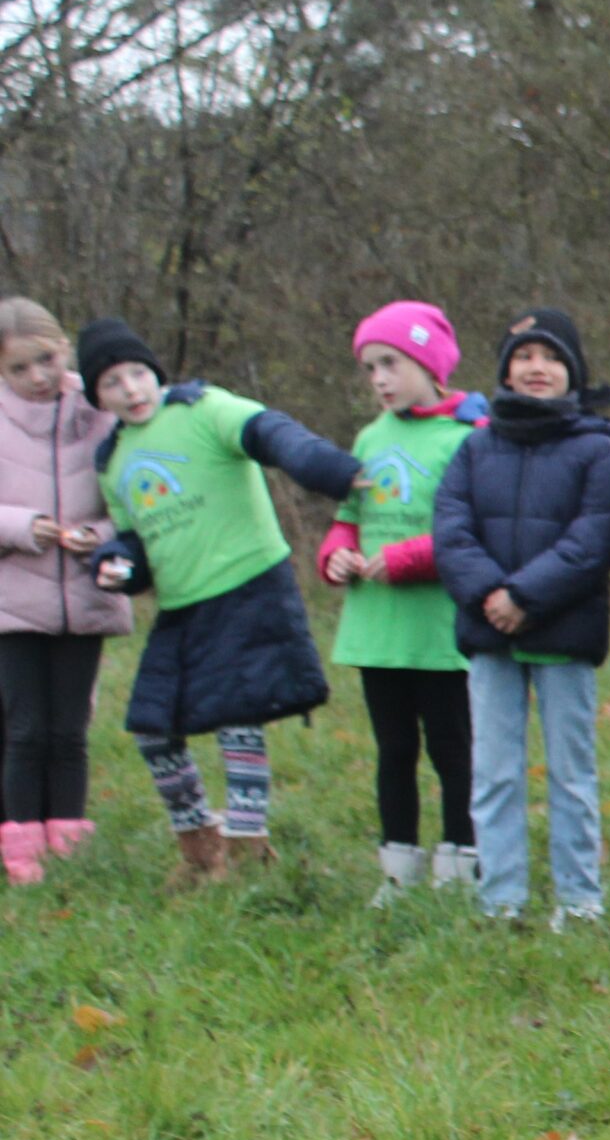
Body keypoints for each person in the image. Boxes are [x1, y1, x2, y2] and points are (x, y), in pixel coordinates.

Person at [81, 316, 359, 880]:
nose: (130, 390)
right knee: (152, 726)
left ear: (155, 372)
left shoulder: (203, 408)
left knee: (238, 714)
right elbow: (133, 538)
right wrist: (117, 565)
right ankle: (198, 842)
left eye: (137, 373)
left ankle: (248, 844)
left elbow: (270, 432)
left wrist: (323, 467)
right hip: (183, 604)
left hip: (248, 584)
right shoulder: (112, 460)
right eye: (112, 383)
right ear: (98, 396)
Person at [432, 308, 610, 927]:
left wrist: (524, 596)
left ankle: (579, 900)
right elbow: (451, 529)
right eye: (523, 356)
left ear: (570, 371)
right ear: (505, 371)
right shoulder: (473, 447)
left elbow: (595, 537)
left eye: (549, 357)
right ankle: (502, 899)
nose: (536, 368)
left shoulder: (598, 449)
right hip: (490, 635)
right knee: (493, 772)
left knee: (571, 774)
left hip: (563, 634)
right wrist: (492, 594)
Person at [315, 301, 485, 903]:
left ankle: (462, 866)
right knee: (393, 751)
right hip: (378, 630)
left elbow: (474, 531)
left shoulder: (470, 438)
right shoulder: (369, 437)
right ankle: (399, 869)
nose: (379, 379)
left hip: (439, 630)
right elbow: (349, 518)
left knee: (452, 750)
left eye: (390, 363)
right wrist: (337, 553)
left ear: (428, 363)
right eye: (369, 368)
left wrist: (409, 558)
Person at [0, 297, 129, 883]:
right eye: (19, 368)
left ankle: (70, 844)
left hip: (87, 598)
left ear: (64, 351)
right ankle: (22, 849)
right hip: (12, 604)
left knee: (69, 731)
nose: (37, 377)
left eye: (47, 360)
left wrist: (97, 536)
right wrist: (21, 528)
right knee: (25, 730)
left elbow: (131, 501)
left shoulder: (99, 412)